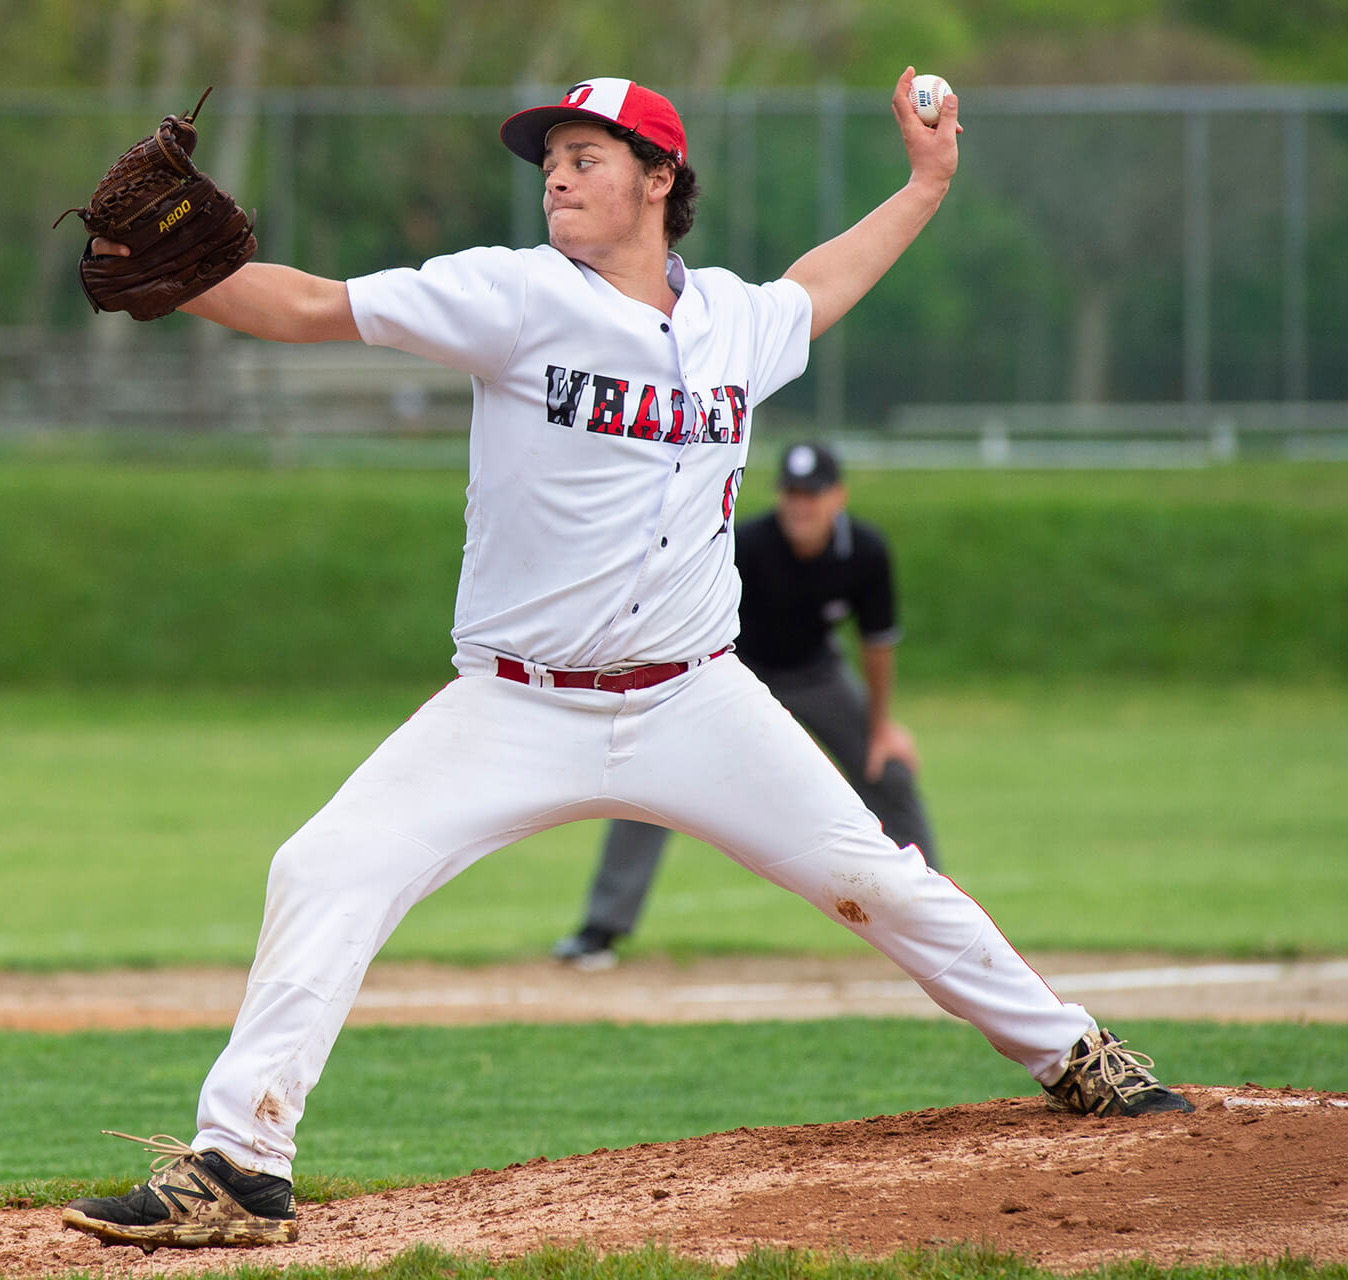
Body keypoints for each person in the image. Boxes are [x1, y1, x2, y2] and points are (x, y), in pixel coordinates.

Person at [62, 70, 1191, 1254]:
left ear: (661, 181)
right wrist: (189, 284)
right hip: (512, 704)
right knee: (323, 866)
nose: (556, 170)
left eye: (587, 154)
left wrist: (929, 182)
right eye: (549, 154)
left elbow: (821, 283)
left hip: (696, 697)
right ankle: (241, 1164)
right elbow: (306, 306)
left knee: (883, 879)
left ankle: (1076, 1053)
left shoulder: (736, 324)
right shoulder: (509, 295)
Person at [554, 439, 940, 970]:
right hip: (732, 675)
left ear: (838, 497)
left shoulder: (865, 552)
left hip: (817, 674)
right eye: (791, 493)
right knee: (652, 776)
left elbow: (877, 643)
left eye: (813, 494)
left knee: (889, 770)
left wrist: (879, 728)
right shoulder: (748, 543)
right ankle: (601, 928)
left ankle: (937, 917)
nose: (800, 505)